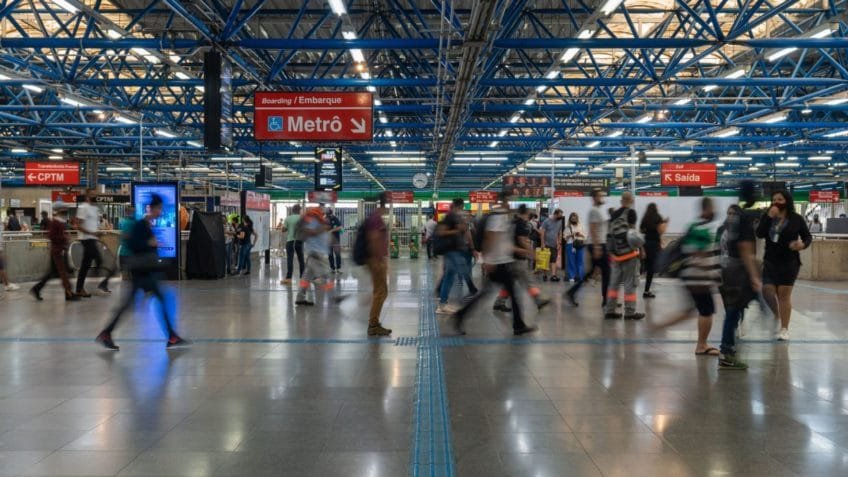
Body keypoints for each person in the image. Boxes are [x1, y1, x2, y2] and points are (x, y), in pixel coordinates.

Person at [95, 194, 189, 351]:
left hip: (145, 272)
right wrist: (149, 243)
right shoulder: (141, 224)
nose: (160, 212)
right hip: (142, 273)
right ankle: (172, 336)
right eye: (159, 209)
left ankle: (107, 333)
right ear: (152, 209)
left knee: (131, 304)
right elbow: (133, 244)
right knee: (155, 300)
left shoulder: (146, 224)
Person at [452, 195, 537, 336]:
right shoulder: (498, 217)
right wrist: (488, 260)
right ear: (503, 202)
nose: (510, 205)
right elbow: (489, 237)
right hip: (498, 264)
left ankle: (518, 325)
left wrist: (525, 251)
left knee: (495, 293)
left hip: (503, 261)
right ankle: (518, 325)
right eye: (509, 201)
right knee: (504, 294)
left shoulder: (503, 218)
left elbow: (505, 244)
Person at [653, 198, 722, 355]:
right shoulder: (701, 229)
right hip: (698, 278)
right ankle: (701, 345)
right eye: (712, 208)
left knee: (690, 311)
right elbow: (697, 253)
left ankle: (660, 326)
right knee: (706, 311)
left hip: (691, 276)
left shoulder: (694, 226)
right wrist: (713, 273)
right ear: (706, 209)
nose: (714, 211)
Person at [756, 190, 812, 341]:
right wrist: (769, 217)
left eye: (780, 199)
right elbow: (759, 233)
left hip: (789, 262)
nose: (776, 202)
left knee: (784, 296)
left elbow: (807, 237)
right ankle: (776, 314)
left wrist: (802, 245)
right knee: (767, 290)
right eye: (774, 199)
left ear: (787, 201)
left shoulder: (796, 219)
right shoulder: (767, 217)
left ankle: (784, 328)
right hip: (770, 261)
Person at [717, 190, 762, 370]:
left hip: (731, 274)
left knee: (733, 310)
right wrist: (754, 276)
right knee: (732, 310)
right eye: (728, 213)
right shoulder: (728, 229)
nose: (730, 216)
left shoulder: (731, 228)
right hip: (731, 274)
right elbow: (746, 252)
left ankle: (729, 345)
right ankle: (727, 349)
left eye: (732, 213)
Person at [493, 204, 550, 312]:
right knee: (528, 280)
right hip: (518, 258)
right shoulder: (522, 224)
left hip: (509, 257)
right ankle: (538, 300)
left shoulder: (512, 222)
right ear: (526, 212)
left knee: (510, 282)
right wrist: (532, 253)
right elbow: (522, 240)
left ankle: (499, 302)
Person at [566, 189, 611, 307]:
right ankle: (606, 300)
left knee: (592, 273)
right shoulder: (594, 211)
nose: (602, 198)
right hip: (598, 244)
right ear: (594, 198)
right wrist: (597, 247)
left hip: (599, 244)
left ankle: (571, 292)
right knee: (607, 272)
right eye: (600, 196)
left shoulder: (599, 211)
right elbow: (593, 228)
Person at [603, 192, 645, 320]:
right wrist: (641, 249)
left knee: (614, 284)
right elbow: (633, 235)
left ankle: (610, 310)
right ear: (631, 200)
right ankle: (630, 312)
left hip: (616, 256)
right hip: (629, 255)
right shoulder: (631, 213)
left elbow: (609, 235)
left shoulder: (614, 214)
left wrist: (611, 252)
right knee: (629, 284)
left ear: (621, 200)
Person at [30, 201, 78, 301]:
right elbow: (51, 236)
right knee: (63, 273)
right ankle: (68, 293)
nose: (65, 210)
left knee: (53, 273)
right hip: (57, 252)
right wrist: (64, 238)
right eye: (63, 208)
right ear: (59, 210)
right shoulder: (55, 222)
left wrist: (64, 238)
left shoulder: (59, 221)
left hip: (57, 251)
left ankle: (36, 289)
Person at [436, 198, 477, 314]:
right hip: (451, 251)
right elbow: (441, 232)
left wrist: (472, 248)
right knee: (461, 271)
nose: (462, 210)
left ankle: (442, 304)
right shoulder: (450, 217)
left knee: (449, 276)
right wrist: (456, 231)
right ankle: (472, 290)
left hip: (456, 250)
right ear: (459, 206)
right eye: (461, 208)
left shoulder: (458, 218)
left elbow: (466, 232)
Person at [74, 189, 115, 296]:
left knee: (86, 264)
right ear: (87, 196)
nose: (94, 196)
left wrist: (98, 234)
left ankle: (79, 289)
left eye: (95, 194)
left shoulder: (95, 209)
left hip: (93, 239)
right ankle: (100, 283)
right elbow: (77, 225)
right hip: (86, 239)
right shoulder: (83, 208)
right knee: (98, 259)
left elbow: (93, 226)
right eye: (92, 194)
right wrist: (91, 233)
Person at [296, 207, 336, 306]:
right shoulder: (313, 221)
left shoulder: (318, 221)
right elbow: (311, 232)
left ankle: (300, 297)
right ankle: (333, 296)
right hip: (315, 253)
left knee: (306, 278)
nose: (323, 214)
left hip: (315, 252)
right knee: (326, 274)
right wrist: (322, 228)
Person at [364, 194, 392, 336]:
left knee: (381, 292)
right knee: (380, 292)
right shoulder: (376, 219)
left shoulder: (374, 218)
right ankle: (373, 325)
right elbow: (374, 238)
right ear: (383, 205)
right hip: (375, 259)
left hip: (376, 259)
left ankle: (374, 323)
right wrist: (377, 260)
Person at [639, 203, 667, 298]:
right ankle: (646, 290)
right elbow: (661, 231)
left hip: (646, 243)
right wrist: (665, 224)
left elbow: (641, 230)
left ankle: (645, 288)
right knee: (651, 268)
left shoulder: (645, 217)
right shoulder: (658, 217)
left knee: (647, 266)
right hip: (654, 244)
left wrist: (648, 231)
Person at [281, 205, 304, 285]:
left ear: (292, 210)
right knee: (301, 259)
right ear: (299, 210)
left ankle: (289, 278)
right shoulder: (302, 218)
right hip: (299, 241)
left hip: (290, 241)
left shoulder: (288, 218)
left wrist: (287, 227)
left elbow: (283, 230)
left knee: (290, 259)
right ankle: (302, 277)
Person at [539, 209, 563, 281]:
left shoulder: (559, 222)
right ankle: (545, 275)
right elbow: (542, 232)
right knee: (545, 260)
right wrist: (542, 243)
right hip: (546, 244)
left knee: (553, 260)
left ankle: (553, 276)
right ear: (555, 214)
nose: (560, 217)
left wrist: (559, 243)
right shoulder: (546, 221)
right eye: (559, 216)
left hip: (554, 244)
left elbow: (560, 233)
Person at [564, 212, 586, 282]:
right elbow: (564, 237)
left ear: (577, 218)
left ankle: (580, 276)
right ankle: (572, 276)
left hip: (580, 244)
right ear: (570, 219)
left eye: (575, 218)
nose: (573, 219)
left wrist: (580, 234)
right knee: (571, 261)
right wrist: (572, 234)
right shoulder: (568, 227)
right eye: (572, 218)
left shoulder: (581, 226)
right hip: (570, 244)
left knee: (580, 261)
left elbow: (585, 236)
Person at [326, 208, 343, 274]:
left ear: (331, 213)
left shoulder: (335, 218)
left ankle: (338, 268)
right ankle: (332, 268)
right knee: (330, 255)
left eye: (329, 214)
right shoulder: (325, 219)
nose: (328, 216)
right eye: (327, 215)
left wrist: (331, 230)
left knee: (337, 254)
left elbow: (340, 227)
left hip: (336, 240)